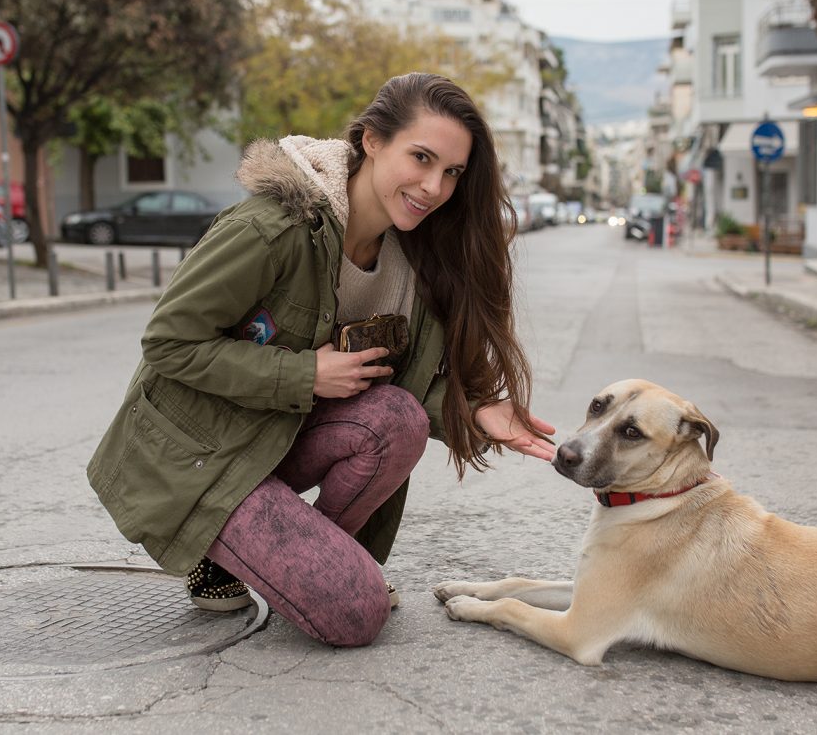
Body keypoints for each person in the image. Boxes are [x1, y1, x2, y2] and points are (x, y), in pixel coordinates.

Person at [87, 72, 555, 647]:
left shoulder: (417, 258)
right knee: (357, 615)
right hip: (200, 457)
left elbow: (400, 388)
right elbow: (167, 343)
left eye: (452, 172)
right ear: (372, 141)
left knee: (399, 419)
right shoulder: (273, 228)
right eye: (422, 158)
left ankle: (285, 565)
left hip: (273, 441)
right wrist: (305, 374)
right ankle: (250, 554)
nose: (434, 186)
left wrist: (477, 410)